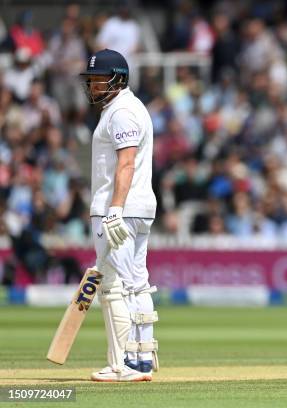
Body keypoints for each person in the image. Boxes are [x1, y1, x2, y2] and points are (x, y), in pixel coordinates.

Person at [80, 48, 158, 382]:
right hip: (135, 209)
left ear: (119, 79)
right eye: (92, 79)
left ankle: (129, 362)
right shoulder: (124, 108)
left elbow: (126, 163)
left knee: (119, 287)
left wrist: (114, 210)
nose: (94, 85)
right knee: (136, 284)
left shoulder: (123, 111)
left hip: (120, 210)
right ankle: (142, 356)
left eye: (100, 79)